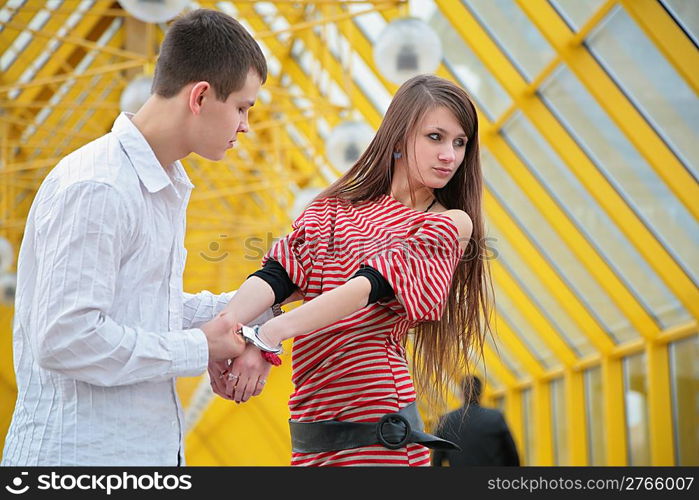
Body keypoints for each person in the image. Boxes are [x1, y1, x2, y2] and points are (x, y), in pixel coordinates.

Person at [1, 9, 273, 466]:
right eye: (243, 107)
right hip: (79, 460)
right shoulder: (99, 186)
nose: (245, 125)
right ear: (201, 96)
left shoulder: (159, 185)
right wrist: (199, 346)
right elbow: (66, 337)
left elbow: (146, 310)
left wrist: (260, 304)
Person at [209, 74, 493, 466]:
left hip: (377, 427)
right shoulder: (333, 210)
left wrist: (265, 337)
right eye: (435, 137)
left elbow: (365, 289)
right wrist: (225, 330)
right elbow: (277, 275)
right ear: (398, 138)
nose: (449, 155)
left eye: (459, 143)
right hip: (310, 431)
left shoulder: (448, 224)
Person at [432, 375, 520, 466]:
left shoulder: (446, 421)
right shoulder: (495, 417)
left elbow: (437, 459)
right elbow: (512, 455)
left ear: (461, 393)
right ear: (480, 393)